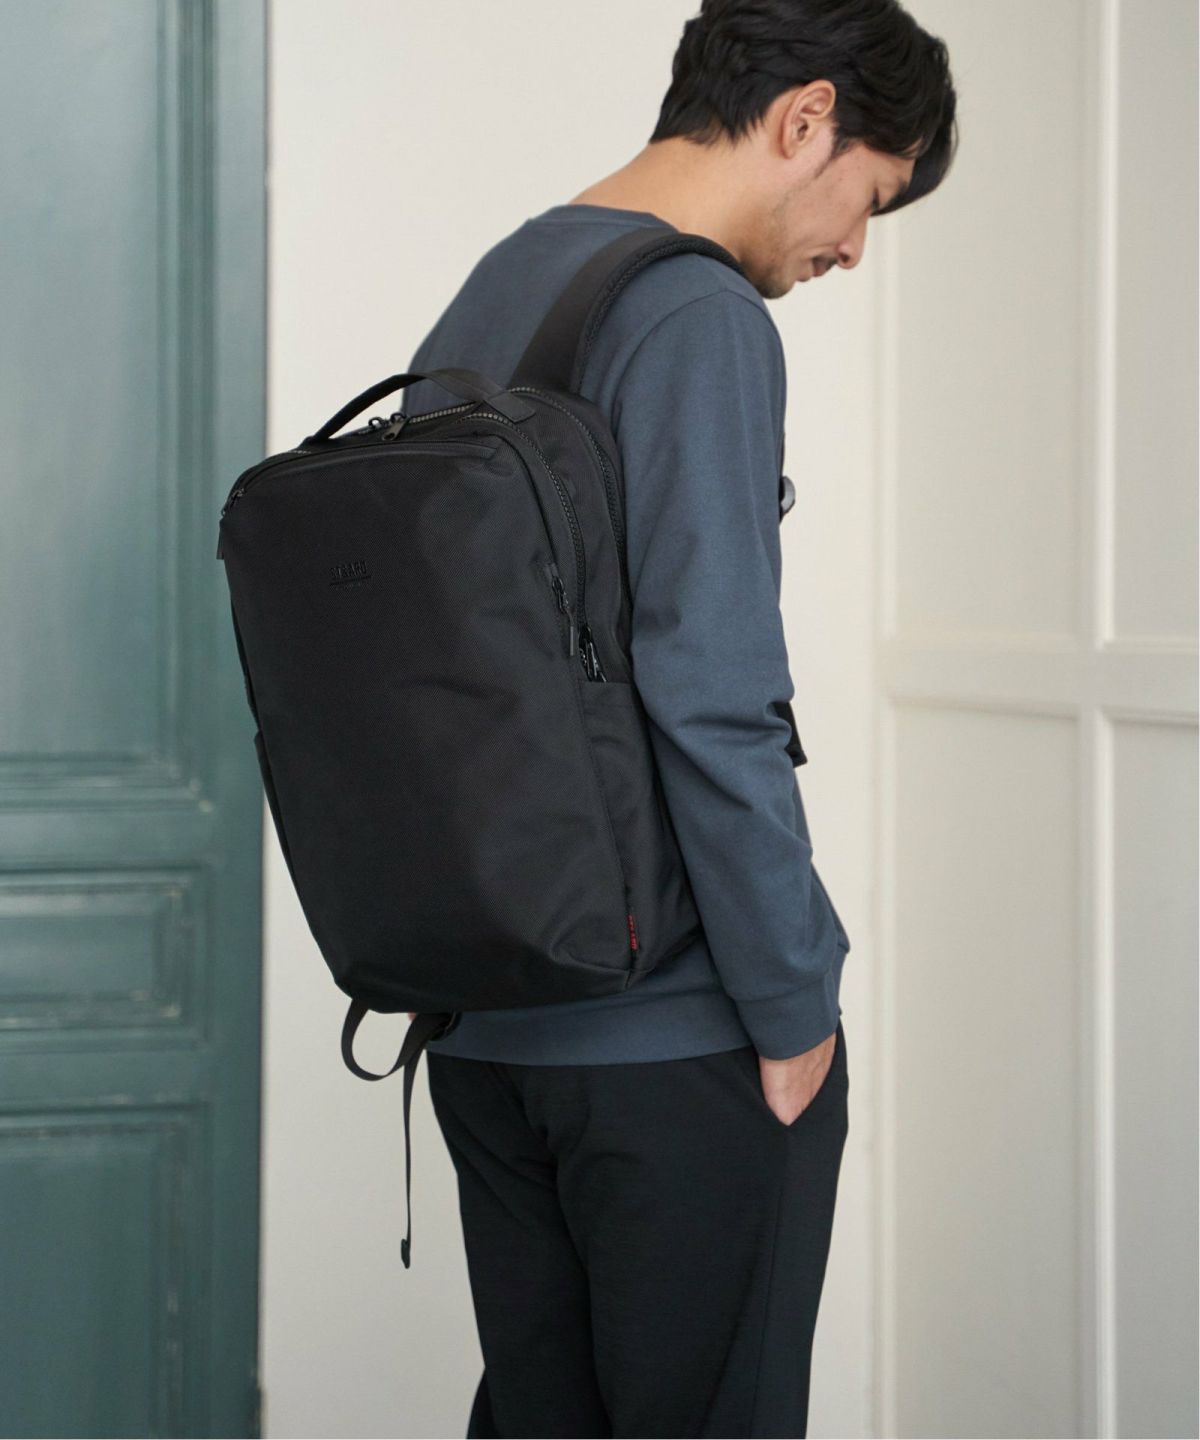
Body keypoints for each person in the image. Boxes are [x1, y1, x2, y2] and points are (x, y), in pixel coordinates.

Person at [402, 2, 957, 1434]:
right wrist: (793, 1004)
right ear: (806, 119)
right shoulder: (695, 311)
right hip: (672, 1043)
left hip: (488, 1029)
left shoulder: (503, 284)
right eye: (872, 198)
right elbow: (711, 689)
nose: (854, 249)